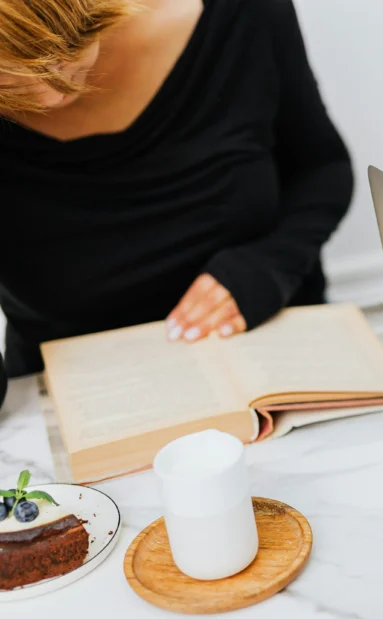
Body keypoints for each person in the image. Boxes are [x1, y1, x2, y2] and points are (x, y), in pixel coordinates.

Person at [0, 0, 353, 378]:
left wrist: (270, 265)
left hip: (275, 361)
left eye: (65, 52)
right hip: (68, 398)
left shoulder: (242, 13)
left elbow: (323, 170)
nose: (51, 95)